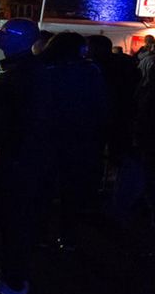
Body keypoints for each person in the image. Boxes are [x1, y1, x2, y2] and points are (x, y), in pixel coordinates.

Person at [0, 18, 53, 294]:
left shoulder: (21, 75)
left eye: (5, 31)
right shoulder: (28, 71)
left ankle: (13, 284)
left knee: (15, 219)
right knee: (11, 219)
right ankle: (9, 271)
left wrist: (8, 149)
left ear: (21, 38)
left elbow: (22, 121)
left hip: (19, 158)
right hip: (20, 156)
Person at [39, 31, 107, 248]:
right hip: (81, 137)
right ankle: (67, 235)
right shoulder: (91, 71)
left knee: (44, 188)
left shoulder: (46, 71)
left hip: (49, 136)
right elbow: (100, 105)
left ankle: (40, 234)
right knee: (72, 190)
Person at [89, 34, 140, 218]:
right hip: (122, 115)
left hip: (102, 117)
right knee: (118, 156)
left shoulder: (95, 67)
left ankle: (96, 193)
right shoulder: (125, 64)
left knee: (96, 155)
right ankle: (115, 193)